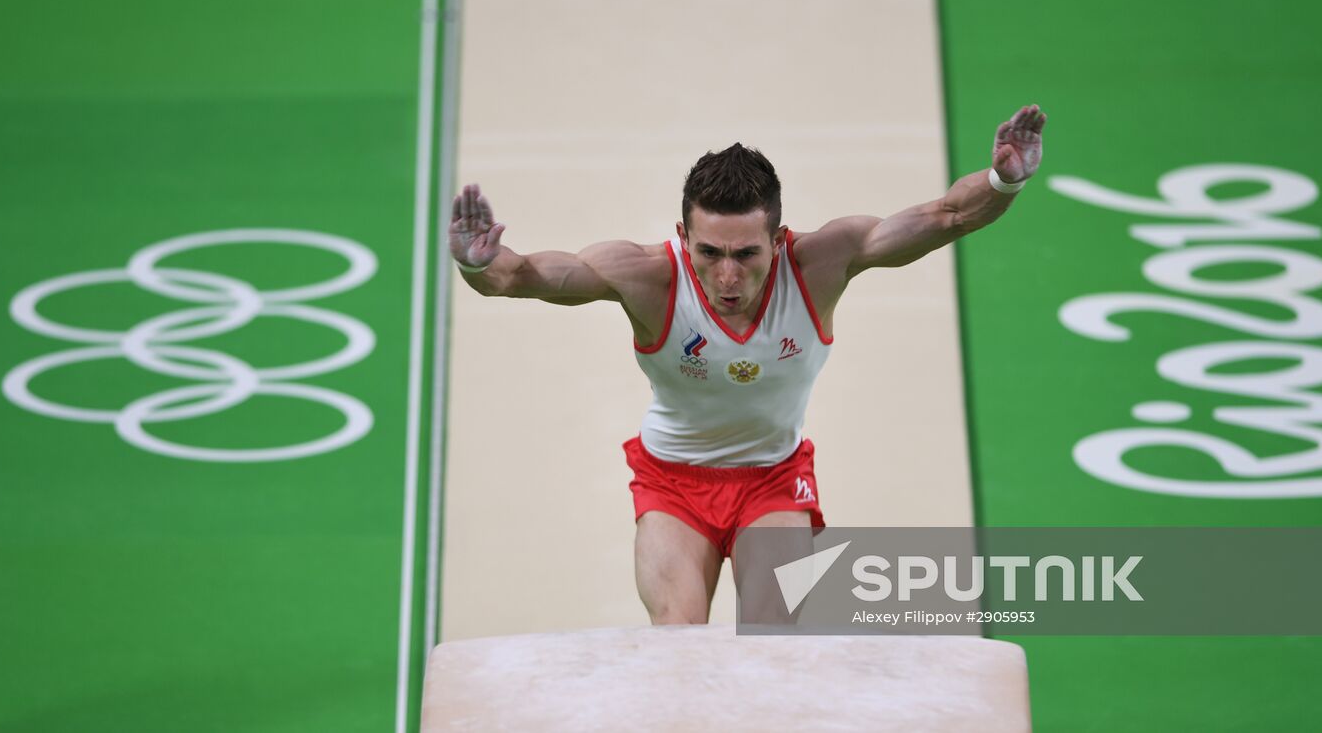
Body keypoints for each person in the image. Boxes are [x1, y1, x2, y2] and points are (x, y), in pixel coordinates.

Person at [448, 104, 1047, 625]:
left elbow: (947, 215)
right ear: (684, 237)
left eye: (746, 254)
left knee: (771, 643)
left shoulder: (820, 263)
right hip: (673, 483)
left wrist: (1002, 181)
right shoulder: (645, 276)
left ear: (778, 237)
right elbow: (523, 275)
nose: (727, 276)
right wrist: (481, 265)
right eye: (708, 253)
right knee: (678, 642)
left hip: (773, 480)